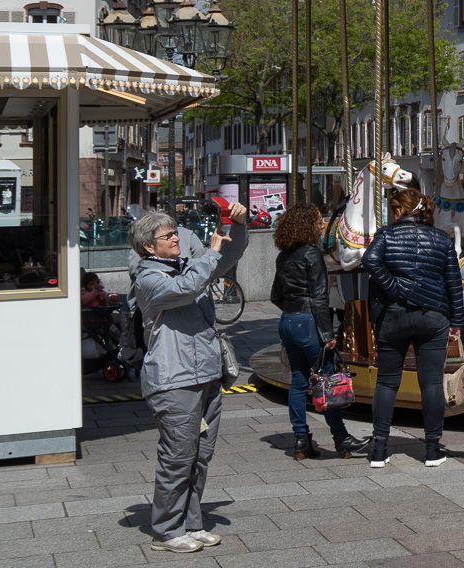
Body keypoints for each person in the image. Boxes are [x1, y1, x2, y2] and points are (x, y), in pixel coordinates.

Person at [129, 203, 249, 554]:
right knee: (178, 456)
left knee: (200, 455)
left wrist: (238, 226)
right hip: (174, 380)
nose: (176, 239)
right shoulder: (148, 278)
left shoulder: (188, 266)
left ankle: (191, 523)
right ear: (148, 246)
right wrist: (209, 254)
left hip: (207, 375)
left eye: (174, 232)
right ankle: (166, 531)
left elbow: (226, 258)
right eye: (167, 236)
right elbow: (186, 287)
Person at [362, 188, 462, 468]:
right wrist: (456, 322)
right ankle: (432, 449)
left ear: (399, 210)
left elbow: (370, 260)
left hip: (393, 314)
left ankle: (379, 450)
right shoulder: (441, 239)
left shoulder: (386, 235)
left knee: (386, 381)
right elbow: (454, 283)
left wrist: (394, 289)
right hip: (433, 316)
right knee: (431, 383)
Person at [270, 203, 367, 460]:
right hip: (309, 322)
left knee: (299, 381)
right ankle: (341, 438)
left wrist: (293, 312)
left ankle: (301, 439)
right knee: (328, 380)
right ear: (307, 225)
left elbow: (275, 295)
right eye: (317, 221)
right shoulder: (311, 253)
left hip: (288, 320)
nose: (322, 224)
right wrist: (328, 334)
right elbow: (319, 297)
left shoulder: (284, 256)